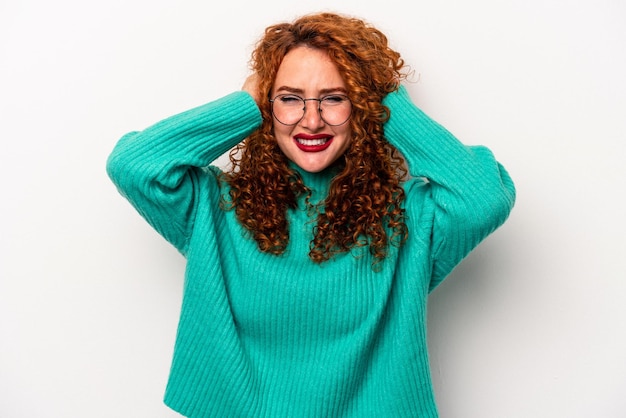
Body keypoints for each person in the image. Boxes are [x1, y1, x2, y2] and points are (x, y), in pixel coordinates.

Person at [107, 11, 515, 418]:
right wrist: (245, 103)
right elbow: (133, 165)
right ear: (268, 107)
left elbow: (484, 198)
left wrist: (384, 99)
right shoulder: (214, 206)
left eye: (335, 98)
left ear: (361, 106)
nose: (312, 120)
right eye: (289, 98)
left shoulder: (407, 216)